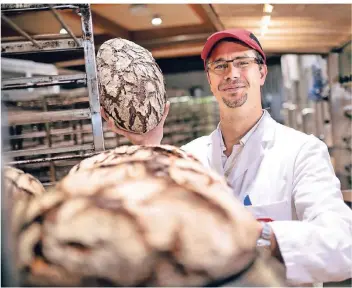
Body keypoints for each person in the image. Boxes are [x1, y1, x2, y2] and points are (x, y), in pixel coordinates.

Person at [101, 28, 352, 285]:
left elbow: (343, 245)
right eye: (219, 66)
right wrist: (148, 144)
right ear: (210, 80)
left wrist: (258, 234)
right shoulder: (189, 157)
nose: (231, 74)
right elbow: (153, 226)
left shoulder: (301, 152)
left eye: (243, 62)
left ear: (262, 72)